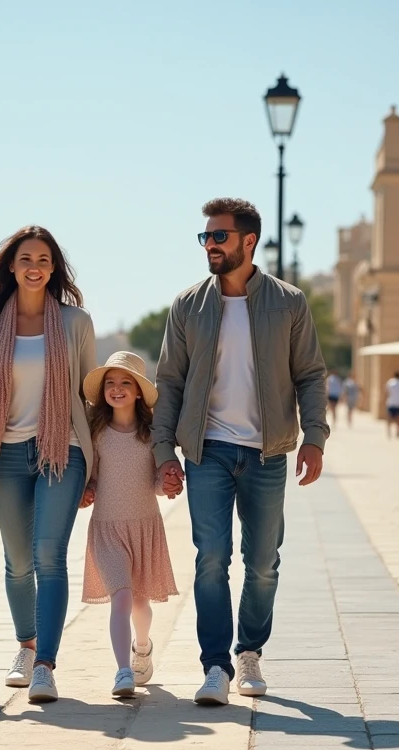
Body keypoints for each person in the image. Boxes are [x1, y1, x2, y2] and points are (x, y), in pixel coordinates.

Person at [154, 197, 329, 706]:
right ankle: (215, 666)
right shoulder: (188, 305)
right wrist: (164, 450)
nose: (210, 245)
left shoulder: (288, 302)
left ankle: (249, 650)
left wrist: (314, 437)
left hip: (267, 453)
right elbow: (169, 381)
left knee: (263, 562)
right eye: (206, 237)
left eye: (219, 236)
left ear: (248, 241)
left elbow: (310, 374)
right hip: (206, 453)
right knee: (211, 558)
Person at [0, 225, 95, 703]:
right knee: (17, 562)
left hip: (63, 449)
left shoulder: (75, 323)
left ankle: (46, 667)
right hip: (7, 453)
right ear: (10, 267)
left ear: (53, 269)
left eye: (44, 260)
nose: (35, 267)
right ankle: (26, 646)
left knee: (49, 556)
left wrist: (95, 467)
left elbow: (87, 397)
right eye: (26, 259)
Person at [79, 351, 178, 698]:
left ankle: (143, 647)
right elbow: (92, 477)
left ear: (138, 392)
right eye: (111, 384)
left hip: (144, 527)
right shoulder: (97, 433)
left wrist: (166, 484)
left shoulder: (152, 435)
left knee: (139, 603)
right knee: (121, 597)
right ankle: (123, 671)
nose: (117, 389)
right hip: (107, 528)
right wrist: (87, 490)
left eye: (125, 383)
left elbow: (154, 480)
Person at [385, 371, 399, 439]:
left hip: (391, 402)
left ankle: (389, 431)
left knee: (389, 417)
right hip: (398, 403)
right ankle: (397, 431)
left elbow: (386, 392)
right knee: (398, 418)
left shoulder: (390, 382)